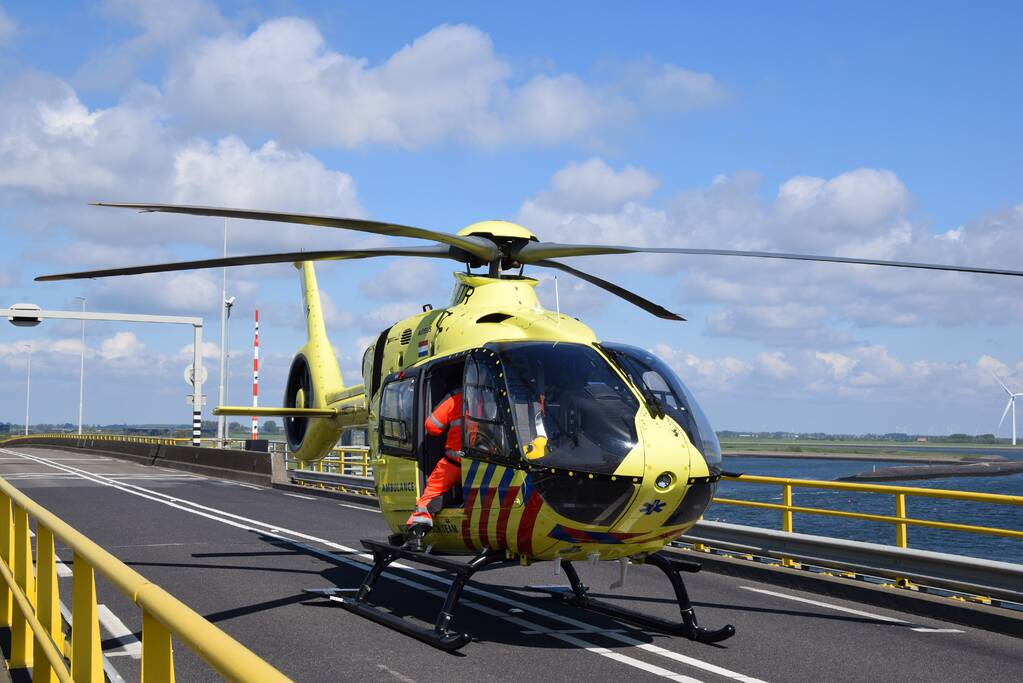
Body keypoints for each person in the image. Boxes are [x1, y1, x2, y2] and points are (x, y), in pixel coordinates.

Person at [404, 389, 463, 551]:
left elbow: (432, 426)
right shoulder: (491, 394)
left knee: (429, 497)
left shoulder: (455, 398)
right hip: (484, 463)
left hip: (455, 462)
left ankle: (416, 535)